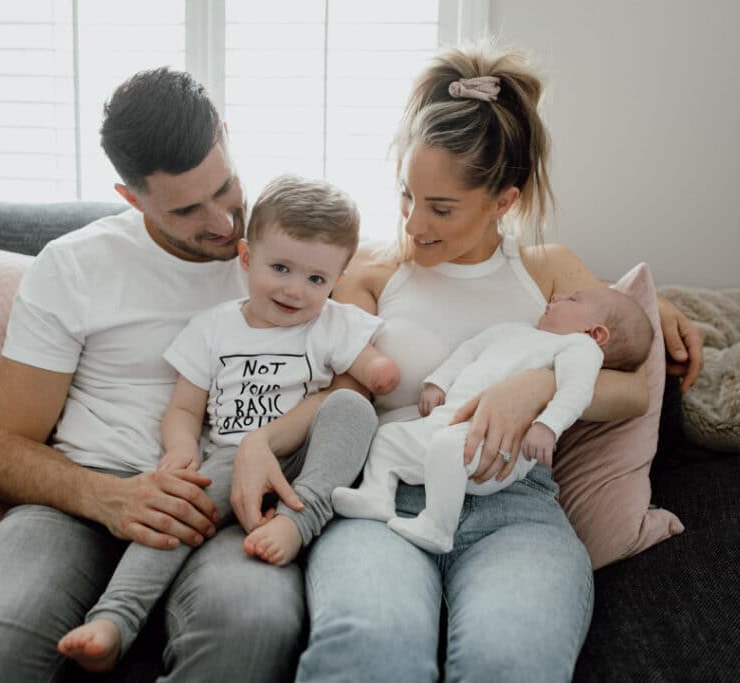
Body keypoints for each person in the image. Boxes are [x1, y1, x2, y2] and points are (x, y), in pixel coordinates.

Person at [0, 68, 377, 682]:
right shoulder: (75, 266)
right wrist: (110, 498)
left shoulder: (287, 250)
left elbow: (354, 382)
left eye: (226, 187)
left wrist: (265, 442)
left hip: (229, 506)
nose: (221, 222)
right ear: (131, 198)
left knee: (252, 630)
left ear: (228, 141)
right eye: (187, 209)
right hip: (80, 503)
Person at [287, 44, 705, 682]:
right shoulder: (370, 273)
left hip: (515, 507)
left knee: (512, 662)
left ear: (503, 202)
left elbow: (632, 389)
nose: (413, 223)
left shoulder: (547, 270)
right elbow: (340, 400)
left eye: (441, 208)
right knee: (369, 650)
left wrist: (536, 387)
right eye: (406, 196)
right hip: (391, 492)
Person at [56, 174, 398, 671]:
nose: (295, 290)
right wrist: (180, 450)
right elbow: (184, 409)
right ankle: (115, 618)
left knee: (351, 408)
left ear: (336, 279)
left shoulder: (331, 323)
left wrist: (379, 370)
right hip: (228, 458)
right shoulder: (214, 327)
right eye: (280, 267)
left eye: (316, 279)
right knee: (176, 506)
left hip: (302, 463)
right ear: (245, 257)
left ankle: (297, 523)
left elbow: (370, 370)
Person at [333, 285, 654, 553]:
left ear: (595, 333)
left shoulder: (579, 347)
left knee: (448, 447)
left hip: (498, 449)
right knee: (389, 438)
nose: (555, 298)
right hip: (445, 424)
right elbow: (469, 351)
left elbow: (577, 391)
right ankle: (376, 495)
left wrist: (547, 426)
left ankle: (437, 526)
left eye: (572, 300)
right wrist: (438, 382)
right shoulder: (512, 331)